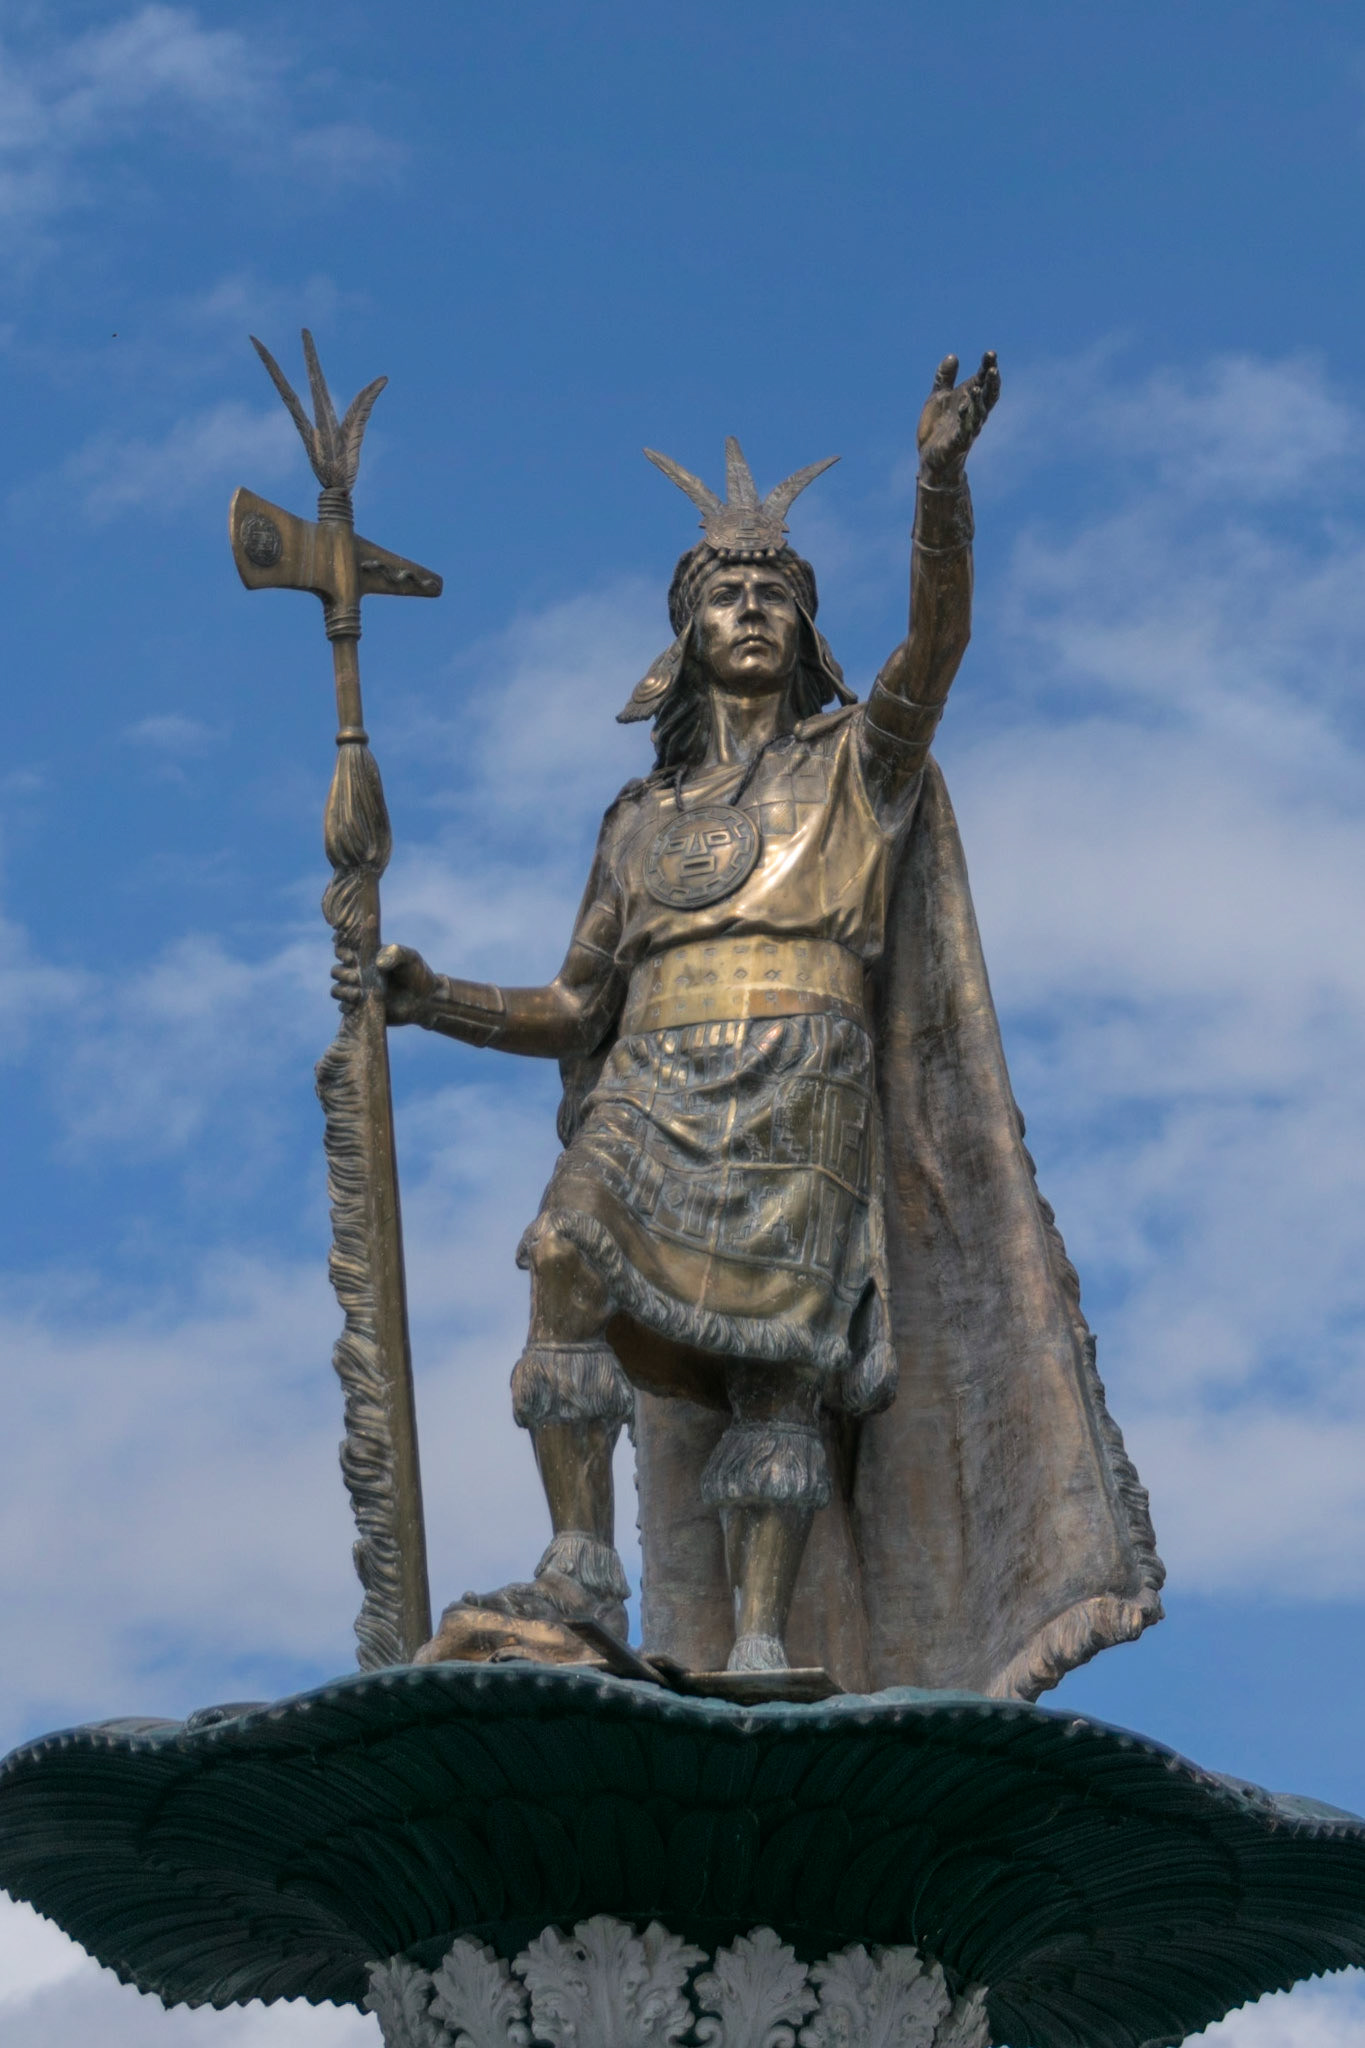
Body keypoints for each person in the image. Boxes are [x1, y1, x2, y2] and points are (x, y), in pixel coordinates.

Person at [356, 353, 1165, 1693]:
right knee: (563, 1248)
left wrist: (938, 487)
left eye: (772, 593)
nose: (747, 608)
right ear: (681, 635)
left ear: (804, 628)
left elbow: (940, 642)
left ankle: (762, 1641)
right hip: (653, 1074)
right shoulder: (640, 819)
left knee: (775, 1374)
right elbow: (574, 1007)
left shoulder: (861, 763)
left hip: (804, 1079)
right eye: (721, 594)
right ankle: (581, 1561)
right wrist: (428, 996)